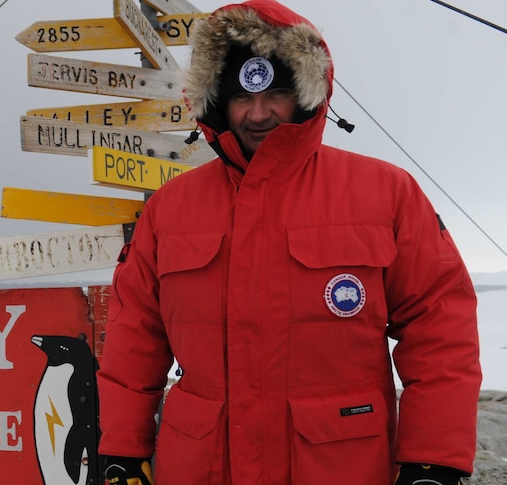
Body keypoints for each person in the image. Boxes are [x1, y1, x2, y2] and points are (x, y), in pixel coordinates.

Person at [95, 1, 482, 484]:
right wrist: (122, 449)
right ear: (216, 101)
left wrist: (434, 459)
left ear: (304, 93)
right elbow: (136, 337)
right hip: (201, 466)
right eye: (242, 98)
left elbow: (439, 327)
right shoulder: (169, 209)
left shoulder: (386, 193)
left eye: (275, 93)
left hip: (341, 466)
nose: (259, 114)